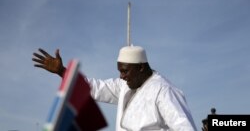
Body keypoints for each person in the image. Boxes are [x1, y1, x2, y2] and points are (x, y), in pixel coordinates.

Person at [32, 46, 197, 131]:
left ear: (140, 67)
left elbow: (185, 128)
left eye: (125, 71)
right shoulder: (124, 85)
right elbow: (94, 88)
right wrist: (62, 71)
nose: (121, 76)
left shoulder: (164, 92)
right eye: (120, 71)